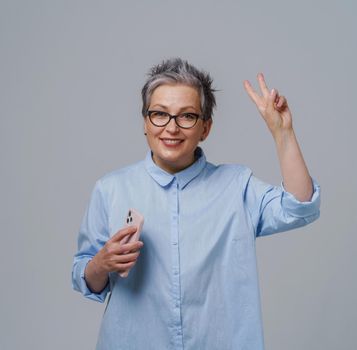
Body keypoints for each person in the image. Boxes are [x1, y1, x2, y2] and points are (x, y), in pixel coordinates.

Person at [72, 58, 320, 350]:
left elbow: (300, 207)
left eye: (187, 116)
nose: (172, 128)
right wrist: (100, 264)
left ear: (205, 128)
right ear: (145, 122)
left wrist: (283, 133)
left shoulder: (236, 186)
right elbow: (85, 278)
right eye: (159, 114)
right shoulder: (110, 189)